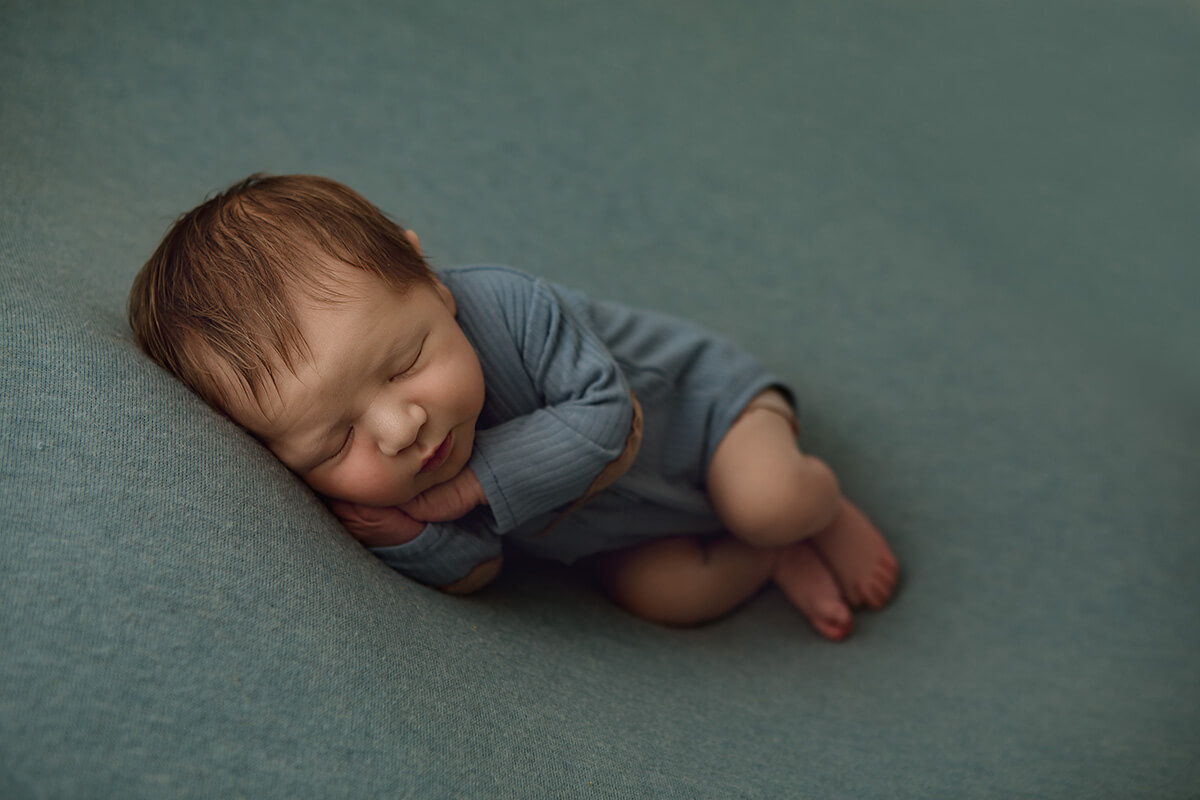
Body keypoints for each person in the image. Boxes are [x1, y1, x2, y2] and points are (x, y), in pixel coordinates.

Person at [128, 174, 898, 641]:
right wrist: (410, 539)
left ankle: (819, 509)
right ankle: (772, 555)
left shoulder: (507, 305)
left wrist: (464, 492)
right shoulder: (386, 494)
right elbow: (481, 571)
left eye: (404, 364)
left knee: (766, 498)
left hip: (706, 418)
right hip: (631, 532)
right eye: (333, 443)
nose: (402, 429)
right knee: (663, 596)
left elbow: (607, 415)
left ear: (429, 279)